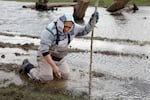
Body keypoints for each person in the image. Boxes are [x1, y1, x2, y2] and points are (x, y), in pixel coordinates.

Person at [19, 12, 99, 83]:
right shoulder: (49, 31)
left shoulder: (73, 28)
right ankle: (27, 66)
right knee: (46, 78)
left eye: (69, 27)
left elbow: (85, 30)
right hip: (46, 56)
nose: (67, 29)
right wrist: (54, 67)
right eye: (65, 26)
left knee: (65, 76)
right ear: (61, 23)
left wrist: (92, 22)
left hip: (59, 57)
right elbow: (44, 51)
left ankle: (49, 70)